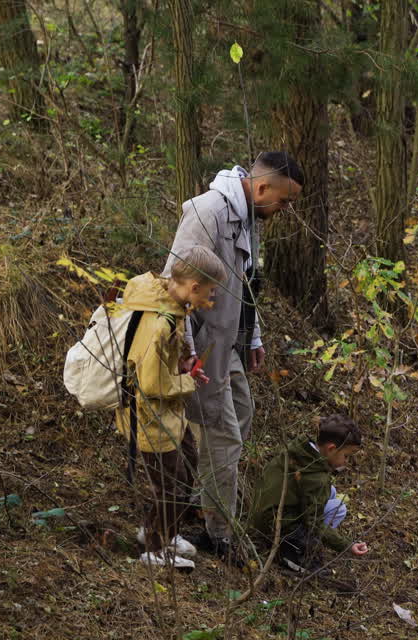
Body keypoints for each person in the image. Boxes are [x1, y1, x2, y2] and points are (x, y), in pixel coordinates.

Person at [165, 152, 304, 564]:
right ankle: (217, 532)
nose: (284, 211)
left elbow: (246, 284)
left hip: (232, 345)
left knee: (241, 412)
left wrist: (254, 336)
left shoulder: (247, 214)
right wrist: (187, 353)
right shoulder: (208, 213)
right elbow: (174, 285)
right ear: (261, 189)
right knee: (223, 435)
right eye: (283, 202)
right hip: (203, 351)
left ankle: (200, 493)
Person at [114, 247, 226, 570]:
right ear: (194, 287)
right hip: (150, 419)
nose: (213, 296)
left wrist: (185, 363)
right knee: (169, 484)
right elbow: (151, 384)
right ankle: (154, 548)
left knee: (188, 464)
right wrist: (188, 384)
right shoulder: (159, 322)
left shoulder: (172, 305)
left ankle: (163, 531)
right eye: (211, 290)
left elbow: (164, 360)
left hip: (169, 415)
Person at [247, 414, 370, 573]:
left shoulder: (299, 448)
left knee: (331, 492)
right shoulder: (316, 479)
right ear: (331, 448)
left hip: (261, 512)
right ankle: (297, 551)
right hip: (277, 527)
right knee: (339, 508)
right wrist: (347, 545)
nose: (346, 462)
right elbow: (315, 523)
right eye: (346, 456)